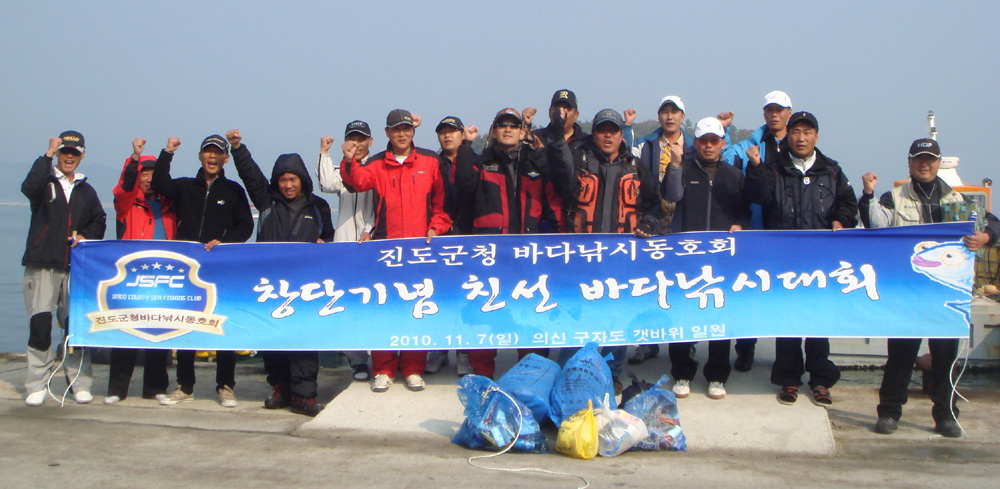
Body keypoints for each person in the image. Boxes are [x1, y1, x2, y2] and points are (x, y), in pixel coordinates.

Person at [861, 138, 1000, 437]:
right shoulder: (892, 197)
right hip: (907, 290)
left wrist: (985, 237)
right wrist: (869, 194)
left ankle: (946, 414)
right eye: (919, 159)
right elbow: (875, 224)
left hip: (947, 293)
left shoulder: (957, 201)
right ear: (909, 162)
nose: (925, 164)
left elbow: (994, 224)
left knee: (946, 356)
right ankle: (889, 412)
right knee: (901, 353)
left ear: (938, 163)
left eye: (931, 159)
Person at [745, 111, 858, 406]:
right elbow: (758, 197)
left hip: (821, 260)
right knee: (788, 321)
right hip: (784, 259)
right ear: (788, 136)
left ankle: (820, 380)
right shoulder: (775, 169)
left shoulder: (832, 171)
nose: (801, 137)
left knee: (819, 321)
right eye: (796, 132)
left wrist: (841, 220)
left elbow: (848, 204)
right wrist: (756, 168)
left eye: (807, 132)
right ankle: (789, 379)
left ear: (816, 137)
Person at [339, 109, 452, 392]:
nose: (401, 134)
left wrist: (436, 227)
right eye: (395, 129)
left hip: (421, 251)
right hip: (386, 249)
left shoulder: (429, 160)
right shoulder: (377, 163)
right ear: (388, 133)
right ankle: (383, 369)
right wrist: (349, 159)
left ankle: (413, 369)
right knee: (386, 309)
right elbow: (356, 182)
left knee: (417, 308)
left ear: (413, 130)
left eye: (406, 128)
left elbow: (442, 204)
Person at [454, 107, 573, 375]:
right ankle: (482, 374)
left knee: (531, 314)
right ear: (494, 131)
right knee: (486, 313)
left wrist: (562, 240)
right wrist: (465, 145)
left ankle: (532, 372)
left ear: (522, 131)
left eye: (513, 125)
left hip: (528, 255)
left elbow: (556, 198)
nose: (507, 129)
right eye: (502, 125)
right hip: (490, 255)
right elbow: (463, 183)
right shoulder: (481, 162)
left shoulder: (535, 164)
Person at [230, 129, 333, 416]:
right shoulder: (266, 203)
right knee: (273, 339)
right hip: (270, 285)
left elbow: (331, 238)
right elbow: (250, 174)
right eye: (283, 180)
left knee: (304, 341)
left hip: (306, 287)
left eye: (293, 179)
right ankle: (280, 389)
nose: (288, 185)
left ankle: (304, 396)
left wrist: (326, 244)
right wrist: (237, 147)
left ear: (303, 181)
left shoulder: (319, 207)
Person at [626, 96, 735, 365]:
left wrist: (725, 130)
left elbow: (719, 158)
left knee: (687, 286)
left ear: (683, 117)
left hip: (686, 224)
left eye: (675, 112)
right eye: (665, 112)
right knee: (651, 285)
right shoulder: (649, 145)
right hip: (655, 221)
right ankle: (648, 342)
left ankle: (687, 340)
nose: (669, 117)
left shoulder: (692, 144)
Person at [152, 134, 254, 407]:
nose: (212, 157)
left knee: (223, 327)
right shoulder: (185, 187)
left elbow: (246, 226)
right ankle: (185, 386)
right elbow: (160, 184)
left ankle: (225, 386)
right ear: (200, 156)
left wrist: (224, 242)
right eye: (208, 152)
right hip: (188, 268)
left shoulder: (233, 190)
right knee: (186, 326)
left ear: (225, 159)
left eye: (217, 153)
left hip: (221, 268)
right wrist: (168, 151)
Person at [563, 108, 662, 392]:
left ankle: (612, 371)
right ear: (594, 134)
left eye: (613, 130)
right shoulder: (577, 161)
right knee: (577, 313)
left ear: (622, 135)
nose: (608, 135)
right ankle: (574, 369)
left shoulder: (636, 165)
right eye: (602, 130)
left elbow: (654, 205)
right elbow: (557, 186)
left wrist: (649, 222)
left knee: (618, 315)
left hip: (621, 259)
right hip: (582, 256)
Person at [662, 117, 751, 400]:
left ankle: (717, 376)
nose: (709, 146)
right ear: (695, 143)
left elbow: (744, 210)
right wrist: (674, 165)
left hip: (721, 258)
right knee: (683, 314)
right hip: (686, 256)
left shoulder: (733, 175)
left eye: (715, 141)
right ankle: (682, 372)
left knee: (718, 314)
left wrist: (739, 223)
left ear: (723, 144)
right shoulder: (683, 168)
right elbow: (670, 194)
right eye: (704, 141)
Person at [21, 131, 107, 406]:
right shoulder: (44, 181)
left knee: (76, 327)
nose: (69, 157)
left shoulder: (86, 190)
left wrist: (85, 236)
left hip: (76, 270)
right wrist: (46, 155)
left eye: (75, 153)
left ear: (82, 156)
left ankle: (79, 382)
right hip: (42, 265)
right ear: (58, 153)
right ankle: (37, 384)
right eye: (64, 151)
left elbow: (100, 220)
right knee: (40, 325)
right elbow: (28, 187)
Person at [719, 90, 795, 372]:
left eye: (779, 109)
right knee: (747, 291)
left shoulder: (797, 144)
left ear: (789, 112)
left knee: (787, 293)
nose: (774, 114)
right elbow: (725, 157)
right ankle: (745, 348)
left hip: (788, 230)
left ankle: (787, 359)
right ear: (764, 113)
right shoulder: (753, 142)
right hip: (758, 228)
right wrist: (723, 131)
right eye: (769, 110)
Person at [105, 137, 177, 404]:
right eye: (144, 174)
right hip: (130, 280)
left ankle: (155, 388)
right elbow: (123, 187)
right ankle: (116, 390)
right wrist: (134, 159)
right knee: (125, 332)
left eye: (152, 174)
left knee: (160, 333)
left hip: (165, 280)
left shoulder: (170, 205)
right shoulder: (127, 203)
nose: (148, 179)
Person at [316, 120, 376, 382]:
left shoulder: (377, 169)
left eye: (361, 139)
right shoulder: (341, 170)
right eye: (352, 139)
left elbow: (379, 208)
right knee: (349, 301)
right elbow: (326, 184)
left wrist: (371, 230)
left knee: (376, 298)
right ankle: (358, 360)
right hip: (343, 243)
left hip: (372, 243)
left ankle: (384, 355)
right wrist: (325, 153)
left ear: (370, 142)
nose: (357, 144)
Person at [425, 116, 477, 376]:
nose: (447, 137)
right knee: (440, 294)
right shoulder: (432, 163)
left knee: (466, 295)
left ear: (461, 135)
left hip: (468, 234)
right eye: (443, 132)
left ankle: (464, 351)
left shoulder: (473, 159)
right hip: (439, 234)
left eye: (452, 132)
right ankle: (439, 348)